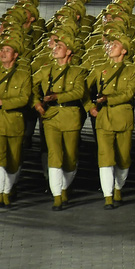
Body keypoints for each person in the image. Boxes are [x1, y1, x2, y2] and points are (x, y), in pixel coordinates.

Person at [33, 32, 86, 211]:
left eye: (59, 47)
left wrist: (58, 96)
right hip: (51, 117)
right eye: (55, 46)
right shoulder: (45, 71)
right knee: (54, 155)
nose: (55, 49)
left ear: (69, 51)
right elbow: (29, 86)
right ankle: (57, 196)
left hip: (70, 116)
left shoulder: (78, 72)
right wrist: (36, 103)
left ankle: (64, 187)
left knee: (70, 157)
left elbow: (79, 92)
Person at [87, 34, 135, 209]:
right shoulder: (99, 68)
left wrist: (107, 99)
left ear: (124, 50)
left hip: (123, 118)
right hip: (104, 118)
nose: (110, 47)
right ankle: (108, 195)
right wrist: (90, 106)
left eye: (115, 45)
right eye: (110, 45)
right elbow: (83, 89)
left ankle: (118, 187)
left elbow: (129, 93)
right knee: (105, 157)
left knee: (123, 158)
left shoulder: (132, 70)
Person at [0, 37, 32, 208]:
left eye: (7, 51)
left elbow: (24, 98)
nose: (3, 53)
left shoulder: (23, 76)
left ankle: (8, 190)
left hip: (14, 123)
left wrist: (3, 103)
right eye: (1, 50)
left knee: (13, 160)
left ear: (16, 55)